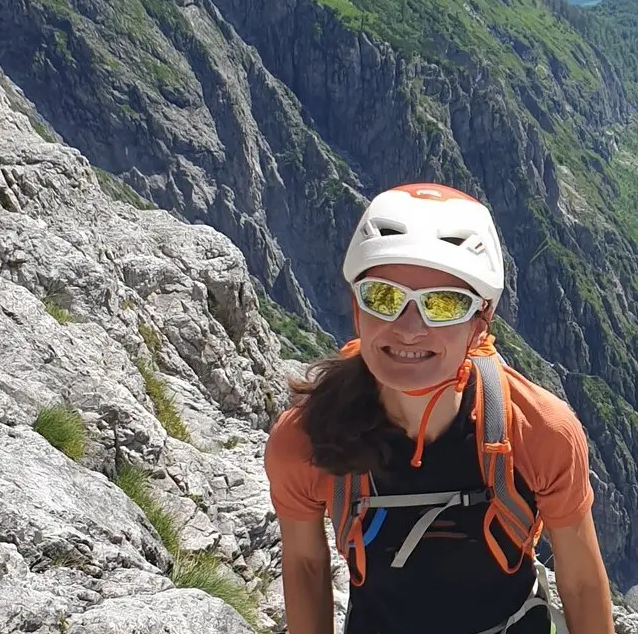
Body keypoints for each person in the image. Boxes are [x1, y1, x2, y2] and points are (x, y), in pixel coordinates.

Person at [263, 182, 615, 634]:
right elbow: (305, 567)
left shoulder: (538, 432)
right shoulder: (303, 442)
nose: (409, 329)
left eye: (444, 305)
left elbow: (583, 582)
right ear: (357, 308)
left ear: (479, 323)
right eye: (384, 297)